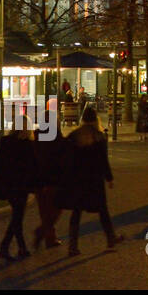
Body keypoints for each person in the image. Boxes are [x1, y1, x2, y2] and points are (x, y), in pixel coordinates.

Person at [58, 108, 124, 256]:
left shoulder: (74, 136)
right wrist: (109, 178)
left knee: (77, 212)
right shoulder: (99, 137)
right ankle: (110, 237)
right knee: (102, 210)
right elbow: (103, 160)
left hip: (78, 179)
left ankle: (73, 246)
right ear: (96, 119)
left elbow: (67, 159)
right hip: (94, 179)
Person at [0, 127, 39, 261]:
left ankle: (20, 247)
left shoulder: (3, 142)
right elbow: (33, 167)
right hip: (20, 186)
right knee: (17, 217)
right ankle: (5, 247)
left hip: (6, 185)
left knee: (17, 217)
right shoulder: (28, 145)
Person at [32, 127, 64, 249]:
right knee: (57, 208)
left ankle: (49, 237)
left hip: (38, 180)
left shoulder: (36, 137)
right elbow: (62, 157)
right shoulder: (56, 136)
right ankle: (43, 232)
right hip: (53, 179)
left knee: (45, 211)